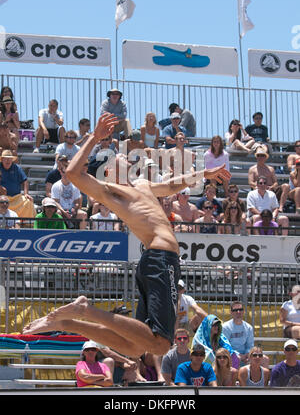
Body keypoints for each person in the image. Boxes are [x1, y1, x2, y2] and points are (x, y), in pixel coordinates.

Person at [23, 112, 231, 359]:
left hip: (153, 260)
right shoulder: (113, 192)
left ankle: (66, 324)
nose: (126, 157)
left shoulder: (143, 186)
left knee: (134, 347)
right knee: (163, 344)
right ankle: (85, 309)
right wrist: (94, 138)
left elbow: (173, 185)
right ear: (110, 171)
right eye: (119, 157)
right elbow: (75, 174)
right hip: (160, 259)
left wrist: (203, 175)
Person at [248, 147, 290, 213]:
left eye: (262, 155)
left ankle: (281, 207)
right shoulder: (252, 169)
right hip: (259, 191)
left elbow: (276, 182)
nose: (260, 157)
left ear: (265, 157)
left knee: (286, 186)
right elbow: (250, 182)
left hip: (271, 190)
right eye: (258, 155)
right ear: (256, 157)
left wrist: (271, 187)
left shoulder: (271, 169)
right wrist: (261, 187)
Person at [0, 149, 36, 219]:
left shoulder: (17, 168)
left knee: (28, 201)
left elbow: (25, 180)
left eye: (9, 159)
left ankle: (26, 223)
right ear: (2, 159)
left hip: (16, 198)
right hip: (2, 198)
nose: (8, 161)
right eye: (6, 159)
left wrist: (26, 193)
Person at [51, 163, 87, 230]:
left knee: (83, 214)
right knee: (58, 213)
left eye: (68, 172)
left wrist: (74, 209)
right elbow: (55, 202)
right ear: (61, 172)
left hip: (72, 210)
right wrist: (63, 212)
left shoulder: (75, 185)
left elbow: (77, 202)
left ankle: (82, 234)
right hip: (61, 210)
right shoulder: (56, 185)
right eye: (64, 172)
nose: (66, 175)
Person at [222, 302, 254, 366]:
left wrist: (247, 355)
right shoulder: (225, 327)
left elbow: (250, 345)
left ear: (243, 311)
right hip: (230, 355)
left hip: (245, 356)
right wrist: (237, 355)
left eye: (240, 309)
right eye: (235, 310)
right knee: (236, 358)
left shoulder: (249, 327)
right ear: (231, 312)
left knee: (264, 359)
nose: (238, 312)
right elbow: (226, 346)